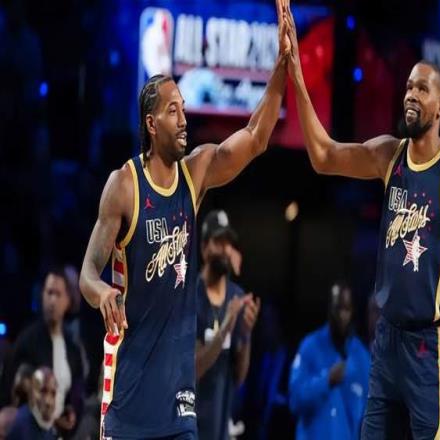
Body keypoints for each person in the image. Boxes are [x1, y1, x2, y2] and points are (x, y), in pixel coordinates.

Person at [78, 1, 290, 437]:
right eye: (173, 110)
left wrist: (282, 65)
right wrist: (102, 293)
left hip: (179, 397)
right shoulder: (124, 185)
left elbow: (256, 137)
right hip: (129, 390)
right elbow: (86, 274)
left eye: (184, 108)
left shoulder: (195, 175)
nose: (183, 119)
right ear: (151, 123)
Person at [282, 2, 440, 438]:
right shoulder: (388, 155)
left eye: (422, 89)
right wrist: (296, 72)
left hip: (428, 347)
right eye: (409, 86)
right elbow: (322, 156)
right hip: (386, 341)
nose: (411, 94)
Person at [195, 210, 260, 440]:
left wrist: (246, 335)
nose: (225, 249)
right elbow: (194, 369)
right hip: (190, 429)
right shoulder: (190, 296)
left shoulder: (236, 297)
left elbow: (239, 377)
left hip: (221, 429)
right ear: (204, 247)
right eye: (218, 242)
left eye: (228, 243)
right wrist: (225, 329)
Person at [1, 268, 83, 435]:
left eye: (58, 294)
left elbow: (76, 394)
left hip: (60, 433)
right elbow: (11, 391)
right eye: (49, 292)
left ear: (68, 300)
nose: (52, 300)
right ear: (42, 295)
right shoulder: (27, 340)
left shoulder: (72, 349)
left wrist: (71, 412)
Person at [289, 283, 371, 439]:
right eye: (337, 308)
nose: (341, 315)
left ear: (352, 312)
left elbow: (369, 417)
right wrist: (326, 380)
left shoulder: (362, 358)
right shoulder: (309, 347)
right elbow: (295, 401)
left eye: (346, 309)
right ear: (329, 309)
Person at [7, 367, 58, 440]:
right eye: (43, 391)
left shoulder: (51, 430)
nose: (49, 402)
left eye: (53, 394)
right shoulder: (18, 423)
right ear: (31, 393)